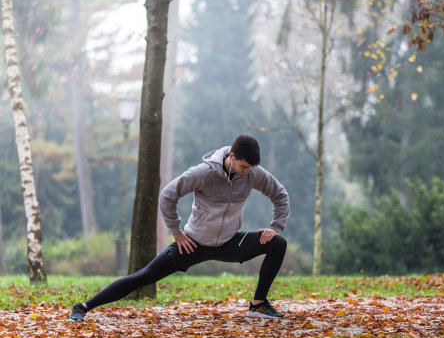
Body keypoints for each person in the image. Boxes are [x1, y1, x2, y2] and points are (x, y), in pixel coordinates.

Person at [70, 135, 289, 321]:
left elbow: (280, 195)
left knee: (277, 244)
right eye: (243, 167)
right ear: (232, 157)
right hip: (193, 244)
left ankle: (258, 304)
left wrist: (275, 226)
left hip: (230, 242)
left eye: (250, 169)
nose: (246, 172)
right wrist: (176, 232)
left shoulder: (252, 174)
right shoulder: (203, 173)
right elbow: (168, 195)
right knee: (144, 276)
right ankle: (83, 307)